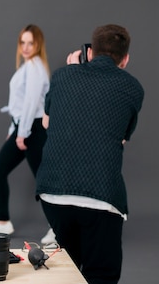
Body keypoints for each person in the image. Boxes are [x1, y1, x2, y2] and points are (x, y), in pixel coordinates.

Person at [35, 24, 144, 284]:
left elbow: (47, 124)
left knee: (69, 268)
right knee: (101, 275)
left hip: (53, 191)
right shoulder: (133, 88)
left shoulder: (63, 76)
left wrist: (73, 71)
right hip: (101, 196)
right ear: (125, 59)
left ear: (90, 52)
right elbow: (120, 139)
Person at [0, 24, 51, 240]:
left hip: (33, 129)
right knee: (1, 171)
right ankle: (3, 222)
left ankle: (60, 227)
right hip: (26, 127)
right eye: (23, 42)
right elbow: (19, 105)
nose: (26, 47)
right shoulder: (28, 66)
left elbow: (31, 104)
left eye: (31, 43)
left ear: (38, 44)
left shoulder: (35, 67)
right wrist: (14, 130)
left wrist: (22, 133)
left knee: (44, 181)